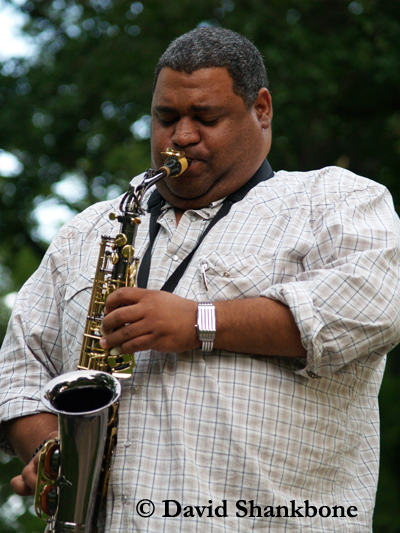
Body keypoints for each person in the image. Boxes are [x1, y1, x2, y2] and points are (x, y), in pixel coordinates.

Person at [1, 26, 400, 533]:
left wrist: (198, 322)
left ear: (262, 109)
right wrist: (51, 451)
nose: (182, 136)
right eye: (166, 118)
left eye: (205, 118)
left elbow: (372, 308)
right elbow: (18, 373)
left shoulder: (335, 200)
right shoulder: (89, 231)